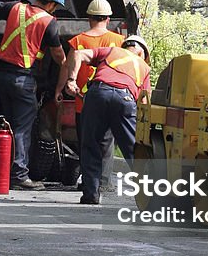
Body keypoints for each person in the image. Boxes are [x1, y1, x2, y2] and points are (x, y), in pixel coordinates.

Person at [0, 0, 66, 191]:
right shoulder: (49, 22)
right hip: (22, 80)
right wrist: (67, 69)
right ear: (51, 4)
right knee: (21, 128)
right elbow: (59, 56)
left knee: (8, 125)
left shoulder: (16, 8)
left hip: (3, 75)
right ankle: (19, 175)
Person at [59, 35, 151, 205]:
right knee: (134, 151)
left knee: (90, 145)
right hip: (125, 100)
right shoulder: (144, 68)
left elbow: (78, 54)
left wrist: (71, 80)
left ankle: (91, 194)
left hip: (98, 94)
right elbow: (144, 103)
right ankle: (150, 198)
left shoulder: (112, 51)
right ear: (142, 53)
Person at [66, 0, 124, 189]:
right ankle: (104, 182)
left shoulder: (78, 41)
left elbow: (67, 67)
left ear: (89, 18)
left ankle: (89, 181)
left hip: (84, 102)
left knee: (87, 142)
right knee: (106, 142)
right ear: (108, 19)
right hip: (110, 98)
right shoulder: (119, 41)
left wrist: (62, 87)